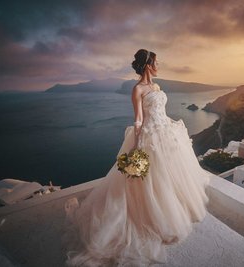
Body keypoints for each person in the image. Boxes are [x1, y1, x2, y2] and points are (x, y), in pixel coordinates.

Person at [62, 49, 211, 267]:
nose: (159, 65)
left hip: (165, 132)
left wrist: (171, 123)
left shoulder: (157, 87)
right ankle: (151, 217)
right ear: (148, 65)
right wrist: (138, 145)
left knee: (167, 175)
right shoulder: (137, 89)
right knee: (148, 179)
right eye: (156, 62)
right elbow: (139, 120)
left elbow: (161, 111)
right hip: (149, 136)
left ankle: (170, 209)